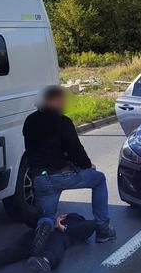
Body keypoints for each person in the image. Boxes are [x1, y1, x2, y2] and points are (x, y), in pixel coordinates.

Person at [23, 85, 116, 255]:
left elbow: (30, 150)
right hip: (62, 175)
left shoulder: (29, 121)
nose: (64, 103)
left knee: (48, 217)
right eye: (62, 99)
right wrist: (87, 165)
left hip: (40, 179)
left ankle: (45, 225)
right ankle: (103, 230)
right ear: (55, 100)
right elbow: (75, 149)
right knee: (99, 179)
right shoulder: (62, 122)